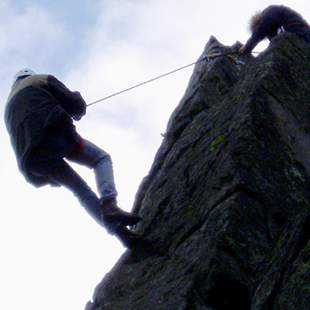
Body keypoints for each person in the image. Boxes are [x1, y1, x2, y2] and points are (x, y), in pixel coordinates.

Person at [4, 68, 142, 248]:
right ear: (29, 75)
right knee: (100, 159)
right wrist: (78, 108)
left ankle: (121, 233)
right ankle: (110, 203)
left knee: (81, 191)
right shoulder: (40, 79)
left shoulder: (7, 109)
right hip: (54, 135)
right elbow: (72, 102)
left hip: (33, 159)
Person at [239, 5, 310, 54]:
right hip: (300, 31)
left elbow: (260, 32)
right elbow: (274, 40)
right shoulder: (271, 25)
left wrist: (247, 47)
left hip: (299, 31)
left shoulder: (268, 13)